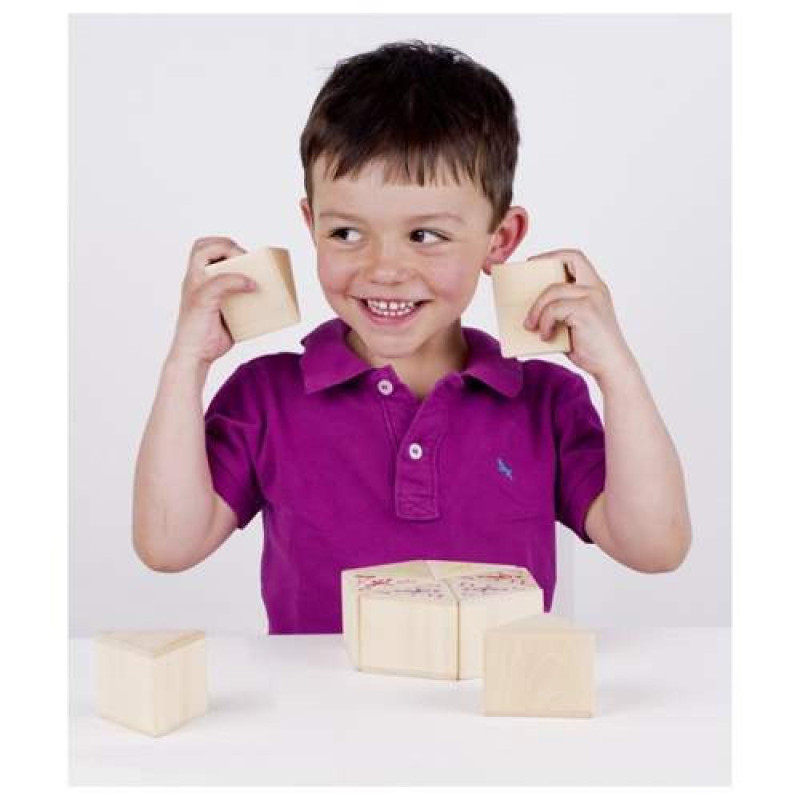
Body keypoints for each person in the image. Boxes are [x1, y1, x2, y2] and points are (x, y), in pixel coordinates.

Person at [132, 40, 692, 634]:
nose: (384, 269)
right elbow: (168, 545)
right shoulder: (266, 395)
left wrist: (617, 373)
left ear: (500, 241)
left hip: (495, 692)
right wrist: (185, 363)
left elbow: (655, 546)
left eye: (425, 236)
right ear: (311, 225)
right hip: (320, 696)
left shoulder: (545, 400)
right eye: (346, 233)